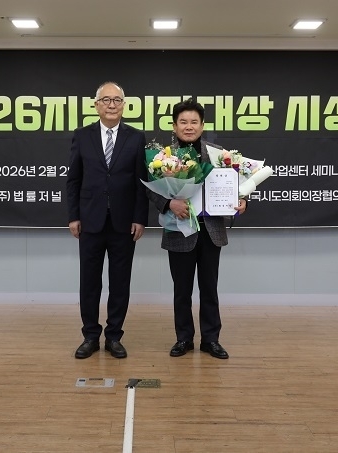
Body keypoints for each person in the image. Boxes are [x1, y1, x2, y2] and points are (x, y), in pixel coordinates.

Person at [147, 98, 247, 359]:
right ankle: (184, 339)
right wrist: (169, 203)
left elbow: (233, 184)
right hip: (179, 228)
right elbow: (151, 190)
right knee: (181, 290)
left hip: (210, 230)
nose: (188, 127)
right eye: (183, 122)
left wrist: (240, 199)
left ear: (202, 126)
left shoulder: (218, 154)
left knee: (209, 288)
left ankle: (211, 340)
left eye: (194, 122)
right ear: (174, 126)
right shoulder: (162, 157)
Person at [66, 82, 149, 359]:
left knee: (120, 283)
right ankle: (90, 336)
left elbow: (141, 182)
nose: (112, 105)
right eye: (106, 100)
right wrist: (74, 216)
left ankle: (114, 336)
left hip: (124, 223)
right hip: (90, 221)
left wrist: (139, 218)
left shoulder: (136, 138)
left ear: (124, 105)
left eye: (117, 100)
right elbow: (74, 180)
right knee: (89, 282)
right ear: (96, 105)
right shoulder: (82, 136)